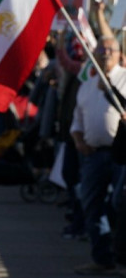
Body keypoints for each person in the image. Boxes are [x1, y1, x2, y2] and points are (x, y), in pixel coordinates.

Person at [70, 36, 126, 276]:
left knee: (120, 204)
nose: (105, 53)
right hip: (94, 155)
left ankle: (121, 253)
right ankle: (102, 257)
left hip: (121, 156)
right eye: (100, 49)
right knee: (92, 204)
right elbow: (77, 121)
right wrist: (79, 140)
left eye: (109, 49)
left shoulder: (124, 79)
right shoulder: (87, 84)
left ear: (119, 53)